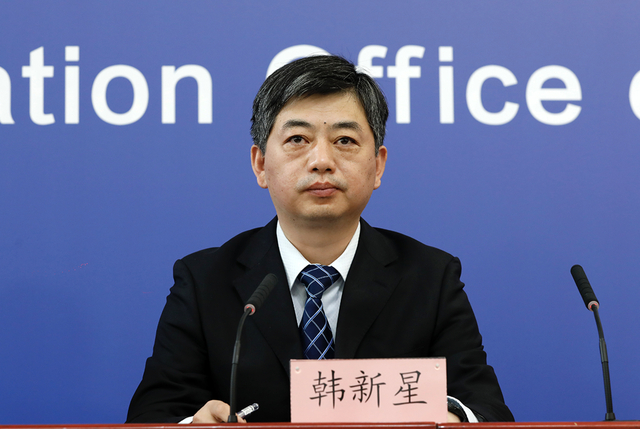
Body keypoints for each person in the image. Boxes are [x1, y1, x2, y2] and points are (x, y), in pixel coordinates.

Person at [126, 55, 514, 424]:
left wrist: (451, 418)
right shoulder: (204, 280)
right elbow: (153, 414)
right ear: (260, 164)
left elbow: (485, 408)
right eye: (298, 139)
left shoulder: (429, 276)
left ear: (378, 165)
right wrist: (194, 424)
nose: (321, 161)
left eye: (344, 140)